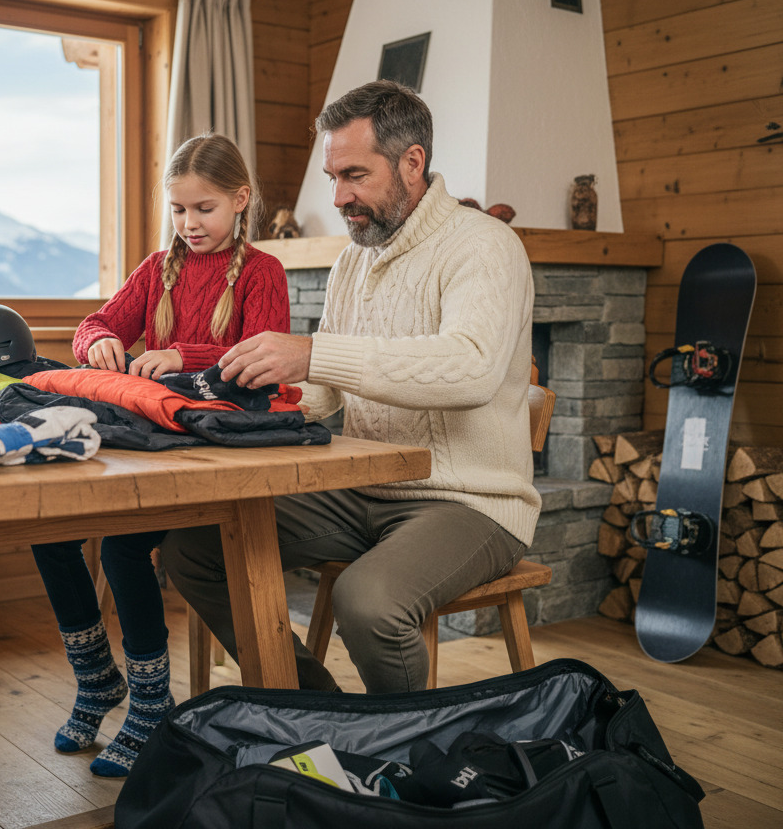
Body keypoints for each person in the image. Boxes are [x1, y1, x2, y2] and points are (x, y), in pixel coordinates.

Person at [162, 80, 542, 695]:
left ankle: (407, 755)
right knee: (194, 546)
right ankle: (320, 710)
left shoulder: (485, 247)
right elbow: (324, 395)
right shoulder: (353, 260)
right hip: (359, 489)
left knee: (369, 603)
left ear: (412, 162)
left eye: (355, 175)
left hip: (472, 502)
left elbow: (470, 368)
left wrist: (311, 353)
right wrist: (241, 413)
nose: (339, 196)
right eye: (333, 177)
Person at [31, 132, 291, 776]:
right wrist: (97, 346)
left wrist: (184, 355)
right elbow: (93, 324)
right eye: (178, 209)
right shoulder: (156, 269)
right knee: (49, 534)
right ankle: (97, 679)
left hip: (217, 456)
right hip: (154, 443)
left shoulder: (265, 272)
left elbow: (266, 358)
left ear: (239, 200)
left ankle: (150, 702)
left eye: (203, 209)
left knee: (121, 544)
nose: (189, 224)